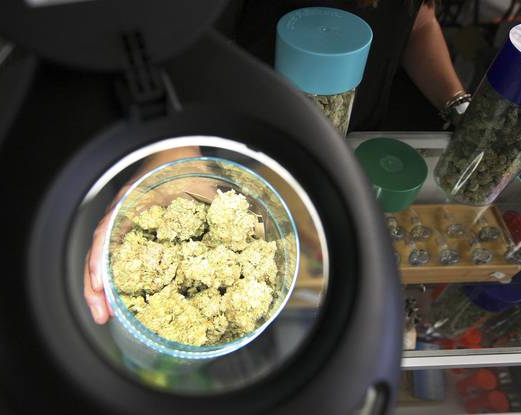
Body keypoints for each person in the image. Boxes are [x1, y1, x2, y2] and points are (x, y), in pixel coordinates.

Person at [84, 0, 468, 324]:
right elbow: (171, 35)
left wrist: (458, 104)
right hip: (232, 140)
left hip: (350, 133)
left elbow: (419, 22)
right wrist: (173, 152)